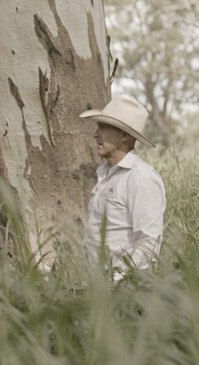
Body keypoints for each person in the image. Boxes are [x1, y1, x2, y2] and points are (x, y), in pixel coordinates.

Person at [79, 96, 166, 280]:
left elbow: (149, 242)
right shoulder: (105, 175)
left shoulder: (141, 178)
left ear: (124, 135)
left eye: (103, 127)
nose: (96, 134)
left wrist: (118, 282)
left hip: (121, 289)